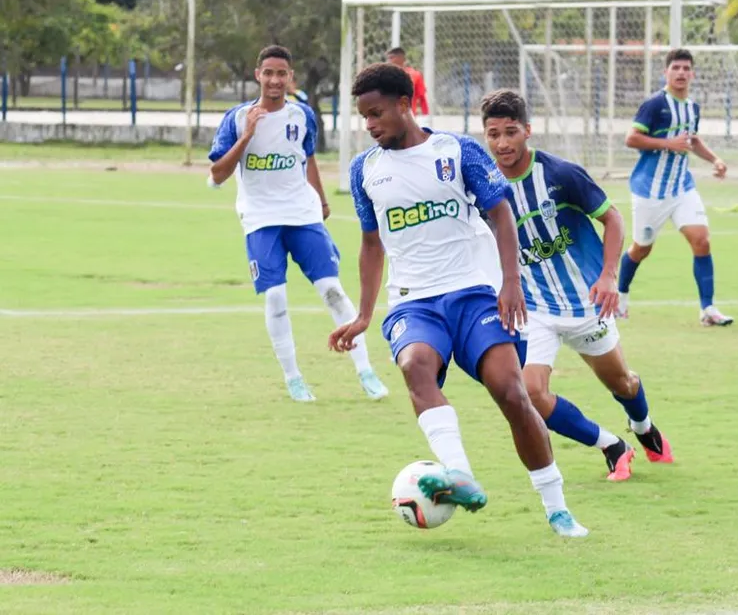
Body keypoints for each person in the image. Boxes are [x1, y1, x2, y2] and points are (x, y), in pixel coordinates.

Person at [328, 63, 588, 537]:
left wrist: (511, 283)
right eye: (363, 116)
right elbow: (370, 243)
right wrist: (364, 314)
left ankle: (557, 508)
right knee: (415, 366)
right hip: (413, 302)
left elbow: (501, 214)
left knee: (512, 392)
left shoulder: (456, 150)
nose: (369, 124)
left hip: (473, 293)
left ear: (405, 104)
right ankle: (460, 474)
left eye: (376, 113)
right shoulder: (365, 169)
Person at [480, 89, 674, 482]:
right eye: (493, 134)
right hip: (533, 308)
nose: (502, 143)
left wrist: (608, 276)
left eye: (511, 132)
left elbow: (613, 217)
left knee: (623, 383)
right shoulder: (483, 186)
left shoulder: (560, 174)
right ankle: (611, 445)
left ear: (528, 130)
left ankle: (643, 426)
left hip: (587, 304)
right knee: (530, 393)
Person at [207, 45, 389, 403]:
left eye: (281, 74)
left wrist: (321, 200)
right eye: (268, 73)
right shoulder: (238, 117)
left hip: (302, 215)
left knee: (333, 290)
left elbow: (307, 158)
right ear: (258, 75)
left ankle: (366, 371)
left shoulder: (302, 115)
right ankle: (293, 378)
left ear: (290, 78)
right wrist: (247, 135)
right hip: (260, 219)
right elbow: (217, 174)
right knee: (275, 297)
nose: (275, 80)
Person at [617, 48, 734, 327]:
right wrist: (667, 144)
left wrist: (715, 160)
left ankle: (708, 309)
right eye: (676, 68)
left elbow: (691, 140)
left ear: (693, 74)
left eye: (686, 68)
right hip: (650, 191)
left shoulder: (693, 108)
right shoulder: (654, 104)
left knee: (701, 241)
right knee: (640, 249)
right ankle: (619, 300)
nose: (681, 73)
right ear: (666, 72)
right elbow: (631, 138)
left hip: (682, 188)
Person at [385, 47, 429, 116]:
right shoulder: (384, 76)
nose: (388, 61)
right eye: (387, 58)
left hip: (408, 116)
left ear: (401, 58)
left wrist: (426, 115)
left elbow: (422, 98)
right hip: (388, 116)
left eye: (391, 58)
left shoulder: (415, 75)